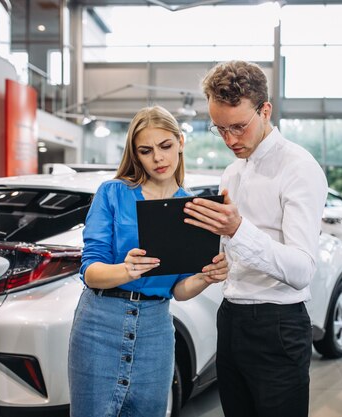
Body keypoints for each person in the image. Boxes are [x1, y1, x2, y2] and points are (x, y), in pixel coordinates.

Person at [183, 60, 328, 417]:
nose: (230, 139)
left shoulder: (299, 167)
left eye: (238, 127)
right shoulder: (232, 172)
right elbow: (234, 251)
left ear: (265, 111)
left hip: (278, 325)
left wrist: (237, 229)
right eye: (219, 129)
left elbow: (301, 270)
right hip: (230, 318)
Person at [68, 105, 229, 417]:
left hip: (155, 330)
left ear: (180, 142)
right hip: (100, 324)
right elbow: (90, 271)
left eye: (166, 146)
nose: (158, 158)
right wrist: (124, 270)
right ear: (135, 154)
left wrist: (206, 277)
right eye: (146, 151)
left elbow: (180, 289)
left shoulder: (193, 208)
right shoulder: (113, 193)